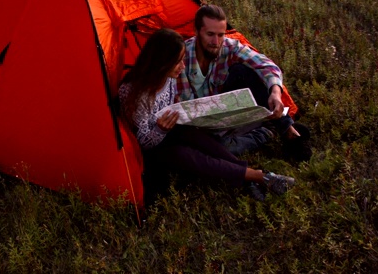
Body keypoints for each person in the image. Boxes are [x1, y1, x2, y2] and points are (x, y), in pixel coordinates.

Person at [118, 28, 295, 206]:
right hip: (153, 147)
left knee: (206, 143)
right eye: (178, 62)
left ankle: (249, 177)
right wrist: (159, 129)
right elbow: (141, 143)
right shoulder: (134, 93)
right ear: (162, 62)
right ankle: (258, 176)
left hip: (172, 129)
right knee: (189, 156)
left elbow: (171, 105)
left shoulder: (168, 78)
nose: (183, 67)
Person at [177, 4, 311, 161]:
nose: (216, 41)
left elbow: (265, 65)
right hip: (201, 121)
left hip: (224, 108)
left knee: (243, 71)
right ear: (197, 31)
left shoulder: (228, 46)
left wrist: (275, 92)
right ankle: (268, 131)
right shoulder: (181, 58)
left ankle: (286, 127)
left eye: (220, 35)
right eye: (210, 34)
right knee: (218, 149)